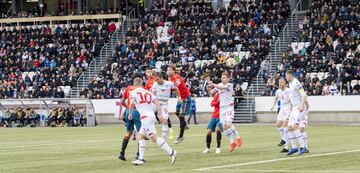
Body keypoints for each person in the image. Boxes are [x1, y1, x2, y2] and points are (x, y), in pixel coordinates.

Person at [129, 77, 177, 165]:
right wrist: (160, 115)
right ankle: (140, 159)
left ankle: (172, 152)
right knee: (140, 137)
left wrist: (130, 113)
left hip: (145, 117)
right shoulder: (148, 92)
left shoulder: (133, 92)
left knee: (154, 138)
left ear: (134, 84)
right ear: (142, 84)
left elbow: (132, 103)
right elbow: (158, 103)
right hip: (151, 115)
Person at [208, 71, 242, 152]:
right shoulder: (219, 85)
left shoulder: (230, 85)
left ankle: (238, 137)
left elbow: (222, 88)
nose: (222, 79)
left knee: (228, 124)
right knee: (224, 126)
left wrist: (214, 84)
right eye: (222, 77)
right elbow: (211, 92)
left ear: (228, 78)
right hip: (222, 108)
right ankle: (232, 143)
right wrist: (209, 87)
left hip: (229, 107)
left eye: (224, 77)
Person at [118, 73, 142, 161]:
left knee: (128, 132)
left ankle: (122, 153)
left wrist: (128, 108)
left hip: (128, 111)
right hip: (137, 111)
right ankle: (139, 155)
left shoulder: (128, 88)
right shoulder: (142, 89)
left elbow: (122, 101)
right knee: (141, 133)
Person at [151, 70, 181, 140]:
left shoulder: (169, 83)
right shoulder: (155, 84)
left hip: (164, 104)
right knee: (147, 117)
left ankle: (163, 140)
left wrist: (179, 97)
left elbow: (175, 89)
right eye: (156, 80)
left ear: (161, 77)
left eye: (158, 79)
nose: (157, 81)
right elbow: (153, 95)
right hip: (156, 103)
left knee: (165, 121)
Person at [167, 64, 192, 144]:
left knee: (181, 115)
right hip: (180, 98)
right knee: (177, 112)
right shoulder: (170, 79)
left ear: (174, 71)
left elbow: (175, 87)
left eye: (170, 70)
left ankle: (181, 136)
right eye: (168, 70)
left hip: (185, 98)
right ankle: (185, 124)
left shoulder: (177, 78)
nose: (168, 71)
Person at [285, 70, 308, 155]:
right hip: (294, 109)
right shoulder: (291, 84)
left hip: (299, 108)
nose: (286, 77)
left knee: (295, 127)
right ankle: (294, 147)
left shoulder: (296, 83)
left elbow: (303, 94)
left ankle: (303, 146)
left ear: (290, 75)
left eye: (286, 76)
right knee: (289, 128)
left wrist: (302, 105)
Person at [271, 78, 291, 152]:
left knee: (285, 125)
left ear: (285, 83)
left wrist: (292, 110)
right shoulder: (278, 91)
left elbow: (292, 100)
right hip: (282, 109)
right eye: (279, 82)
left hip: (288, 109)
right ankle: (284, 139)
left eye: (281, 82)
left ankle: (287, 146)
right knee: (278, 124)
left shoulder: (288, 91)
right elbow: (276, 98)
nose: (279, 83)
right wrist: (273, 106)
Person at [203, 85, 222, 154]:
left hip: (221, 116)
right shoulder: (217, 95)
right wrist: (217, 102)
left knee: (218, 129)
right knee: (209, 131)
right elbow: (212, 104)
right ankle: (208, 148)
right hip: (214, 116)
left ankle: (218, 148)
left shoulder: (226, 96)